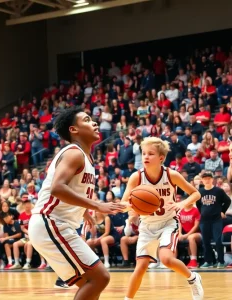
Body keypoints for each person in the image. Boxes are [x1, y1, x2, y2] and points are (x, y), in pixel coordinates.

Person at [28, 106, 125, 299]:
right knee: (100, 278)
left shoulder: (86, 157)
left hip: (57, 225)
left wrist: (84, 211)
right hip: (50, 222)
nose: (94, 123)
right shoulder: (74, 153)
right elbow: (57, 188)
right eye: (87, 120)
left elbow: (72, 189)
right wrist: (96, 206)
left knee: (90, 283)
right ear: (74, 130)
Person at [121, 137, 204, 300]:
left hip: (168, 223)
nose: (145, 157)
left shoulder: (171, 175)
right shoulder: (136, 177)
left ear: (161, 158)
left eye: (150, 154)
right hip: (147, 226)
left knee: (166, 259)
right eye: (144, 153)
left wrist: (183, 203)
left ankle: (193, 278)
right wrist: (132, 210)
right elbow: (124, 202)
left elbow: (196, 193)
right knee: (140, 267)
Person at [196, 172, 231, 268]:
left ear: (212, 180)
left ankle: (221, 261)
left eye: (209, 178)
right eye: (205, 179)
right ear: (202, 180)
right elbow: (198, 204)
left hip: (216, 220)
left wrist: (223, 211)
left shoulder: (218, 191)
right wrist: (202, 212)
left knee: (218, 240)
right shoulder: (200, 192)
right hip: (204, 220)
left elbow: (228, 201)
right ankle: (209, 261)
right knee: (205, 241)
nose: (207, 180)